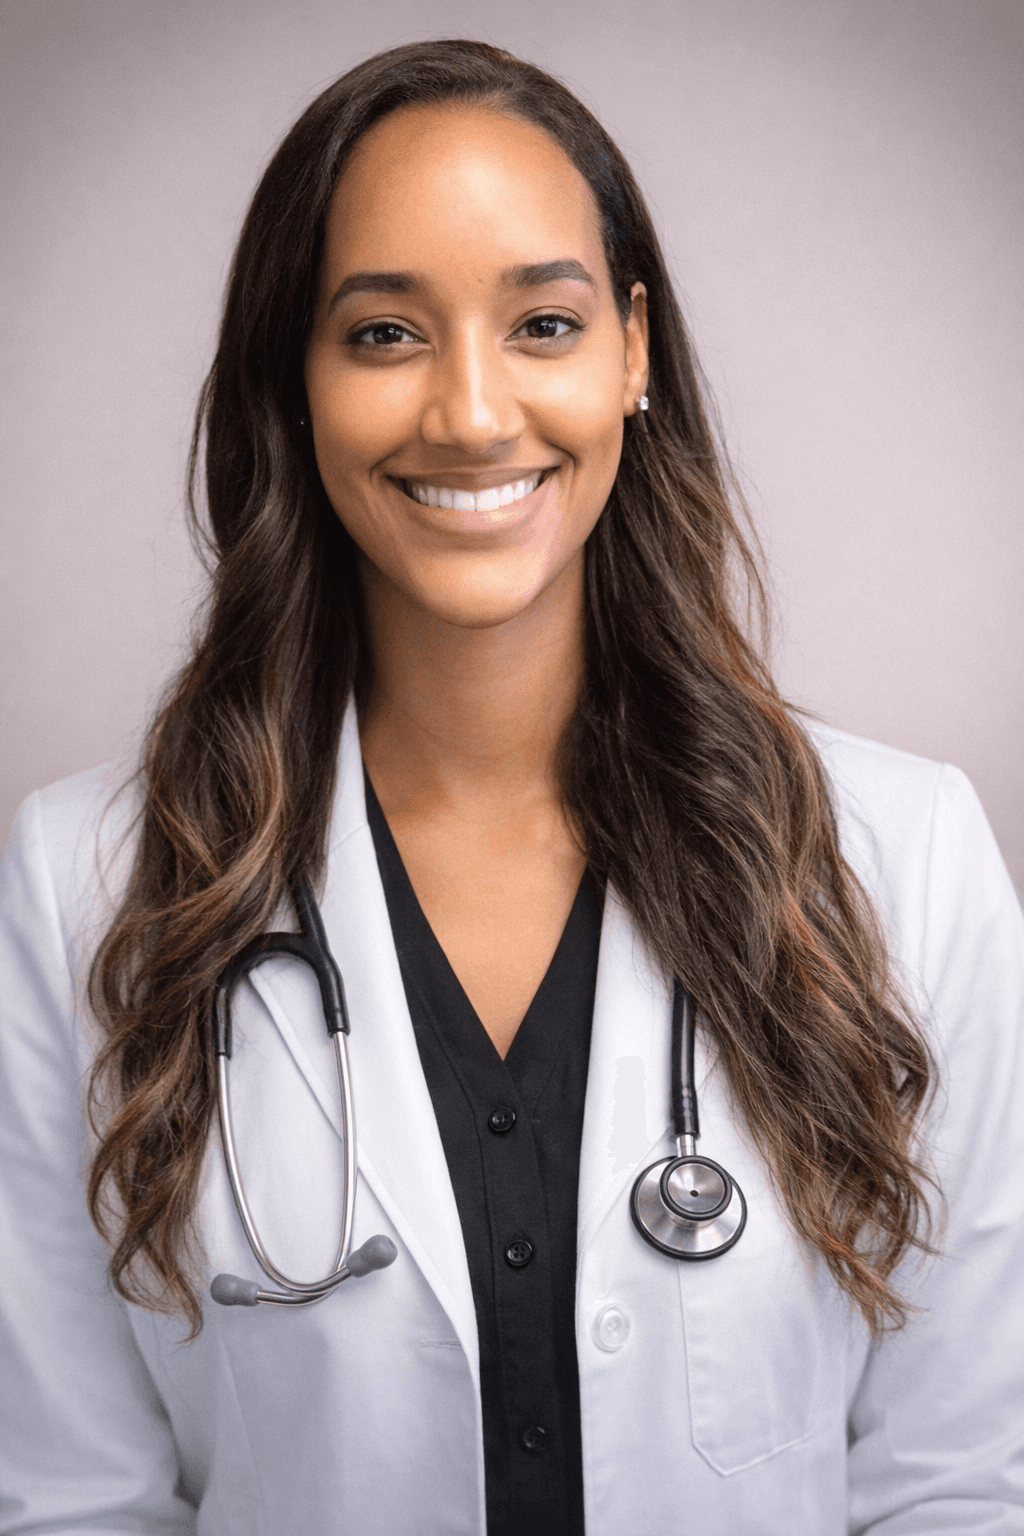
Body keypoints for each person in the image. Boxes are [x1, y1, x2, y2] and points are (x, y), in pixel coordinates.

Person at [1, 37, 1022, 1536]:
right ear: (292, 380)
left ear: (634, 352)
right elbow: (70, 1496)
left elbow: (963, 1478)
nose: (473, 416)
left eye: (542, 322)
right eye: (384, 336)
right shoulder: (81, 886)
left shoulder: (907, 859)